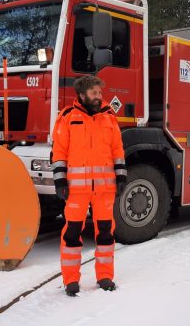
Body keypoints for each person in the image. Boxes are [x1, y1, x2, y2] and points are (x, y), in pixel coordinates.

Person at [51, 75, 127, 297]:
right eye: (94, 94)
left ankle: (105, 276)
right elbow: (59, 153)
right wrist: (59, 180)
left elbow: (117, 150)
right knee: (72, 234)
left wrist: (121, 177)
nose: (98, 97)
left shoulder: (109, 118)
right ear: (82, 95)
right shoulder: (67, 117)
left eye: (100, 93)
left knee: (105, 234)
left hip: (105, 190)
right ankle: (71, 280)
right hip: (76, 190)